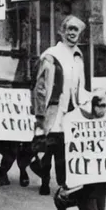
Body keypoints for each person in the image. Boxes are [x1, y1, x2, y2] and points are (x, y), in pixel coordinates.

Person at [33, 15, 88, 194]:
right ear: (62, 32)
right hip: (54, 108)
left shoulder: (79, 56)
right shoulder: (51, 55)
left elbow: (82, 85)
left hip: (71, 109)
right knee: (48, 147)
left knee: (64, 149)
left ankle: (64, 182)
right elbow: (41, 87)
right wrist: (40, 112)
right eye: (69, 29)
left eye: (76, 30)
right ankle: (45, 181)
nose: (72, 33)